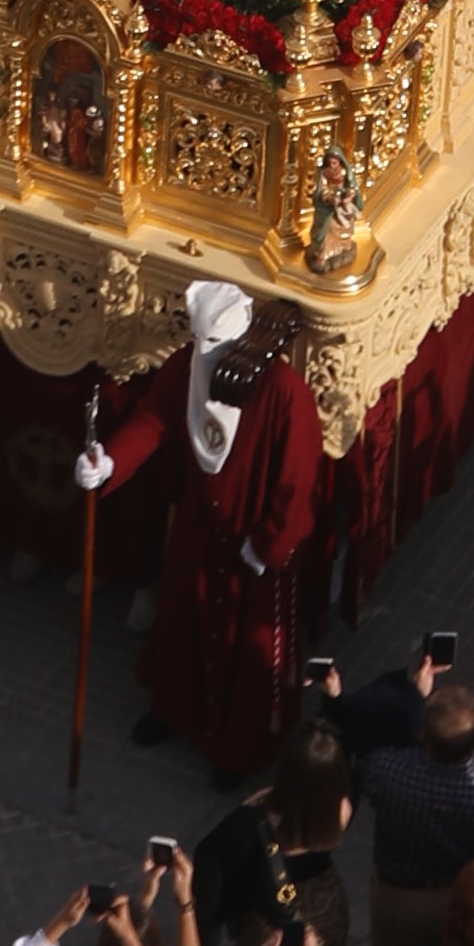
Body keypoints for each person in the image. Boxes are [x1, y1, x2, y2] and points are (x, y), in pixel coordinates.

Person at [137, 283, 331, 777]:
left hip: (253, 545)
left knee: (249, 650)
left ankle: (241, 748)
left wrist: (268, 545)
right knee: (186, 623)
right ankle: (174, 712)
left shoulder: (287, 394)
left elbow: (297, 481)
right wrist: (107, 463)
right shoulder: (190, 367)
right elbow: (154, 418)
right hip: (200, 530)